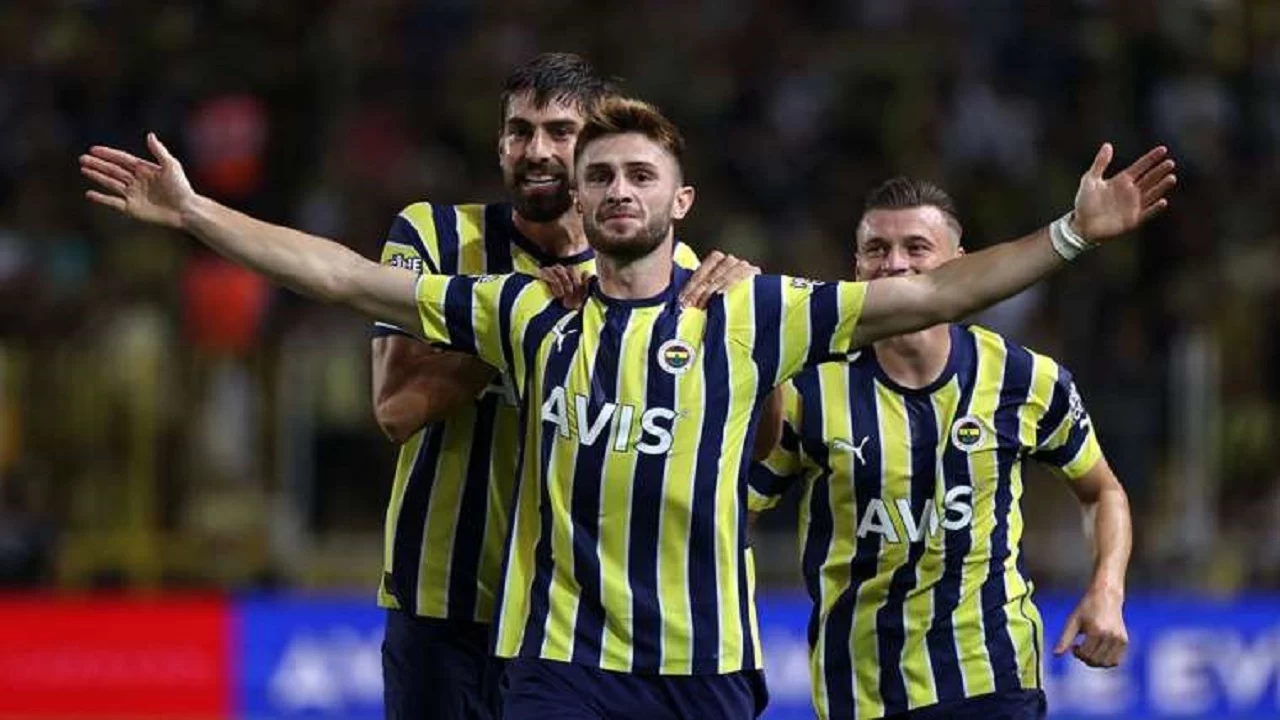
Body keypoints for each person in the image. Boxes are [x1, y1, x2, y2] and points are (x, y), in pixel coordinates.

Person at [79, 96, 1174, 719]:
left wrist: (1070, 235)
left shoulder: (754, 313)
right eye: (599, 175)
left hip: (709, 670)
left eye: (638, 176)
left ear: (678, 200)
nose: (616, 191)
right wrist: (198, 214)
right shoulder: (523, 312)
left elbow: (935, 293)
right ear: (578, 196)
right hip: (563, 664)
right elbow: (340, 276)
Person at [748, 177, 1137, 720]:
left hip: (993, 679)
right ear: (856, 267)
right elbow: (735, 511)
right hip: (859, 692)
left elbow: (1103, 492)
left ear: (960, 264)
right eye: (876, 249)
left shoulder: (1025, 379)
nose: (894, 264)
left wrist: (1107, 590)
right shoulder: (806, 391)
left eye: (916, 248)